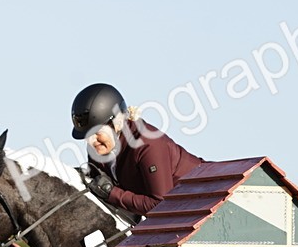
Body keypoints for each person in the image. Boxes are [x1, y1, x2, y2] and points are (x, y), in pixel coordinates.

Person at [70, 83, 203, 216]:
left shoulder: (148, 145)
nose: (92, 141)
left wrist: (113, 193)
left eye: (96, 132)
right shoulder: (98, 148)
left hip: (202, 199)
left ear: (118, 123)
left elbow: (160, 205)